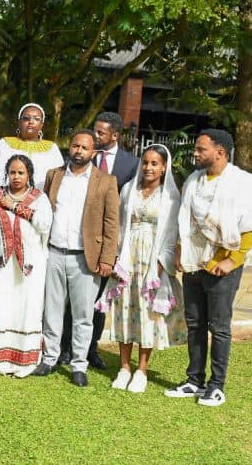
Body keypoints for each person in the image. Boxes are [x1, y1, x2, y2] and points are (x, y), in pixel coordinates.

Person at [167, 129, 252, 407]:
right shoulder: (193, 181)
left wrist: (230, 261)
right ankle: (194, 380)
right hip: (193, 262)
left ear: (220, 152)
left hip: (223, 266)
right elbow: (183, 221)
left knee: (219, 326)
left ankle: (216, 386)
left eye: (201, 149)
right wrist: (179, 250)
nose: (195, 154)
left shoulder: (243, 183)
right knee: (195, 324)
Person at [33, 129, 119, 387]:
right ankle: (49, 358)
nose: (78, 151)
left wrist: (107, 259)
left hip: (86, 258)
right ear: (69, 147)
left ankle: (79, 365)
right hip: (55, 252)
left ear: (93, 152)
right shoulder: (54, 176)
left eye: (84, 147)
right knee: (52, 311)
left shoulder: (106, 181)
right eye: (75, 146)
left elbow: (111, 223)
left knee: (83, 315)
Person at [100, 144, 186, 393]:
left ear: (164, 167)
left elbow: (172, 234)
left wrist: (160, 264)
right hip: (127, 258)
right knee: (124, 310)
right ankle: (125, 367)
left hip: (152, 260)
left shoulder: (170, 196)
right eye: (146, 162)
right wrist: (116, 258)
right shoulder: (128, 190)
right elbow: (118, 225)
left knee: (148, 314)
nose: (149, 167)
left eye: (154, 163)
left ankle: (142, 370)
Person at [0, 155, 52, 377]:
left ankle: (20, 361)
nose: (16, 177)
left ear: (29, 175)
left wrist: (15, 206)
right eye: (13, 172)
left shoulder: (38, 198)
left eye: (21, 172)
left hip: (27, 267)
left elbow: (44, 225)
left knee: (23, 306)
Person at [82, 110, 140, 368]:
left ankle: (91, 348)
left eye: (100, 133)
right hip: (79, 238)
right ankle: (66, 347)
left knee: (98, 300)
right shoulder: (83, 155)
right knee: (76, 297)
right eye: (94, 130)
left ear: (115, 135)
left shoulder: (131, 164)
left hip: (108, 241)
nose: (95, 135)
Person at [0, 103, 63, 190]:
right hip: (8, 199)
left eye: (37, 119)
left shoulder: (52, 148)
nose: (31, 122)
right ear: (19, 122)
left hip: (42, 199)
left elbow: (57, 177)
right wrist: (11, 195)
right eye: (26, 118)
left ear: (41, 125)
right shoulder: (4, 144)